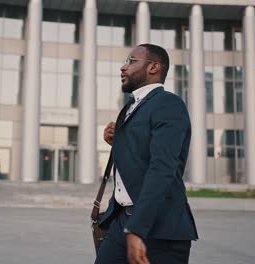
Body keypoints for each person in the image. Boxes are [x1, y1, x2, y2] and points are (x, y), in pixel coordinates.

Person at [95, 44, 198, 264]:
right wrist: (118, 140)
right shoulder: (130, 107)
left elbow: (162, 168)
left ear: (153, 67)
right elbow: (140, 153)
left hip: (160, 230)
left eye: (131, 61)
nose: (123, 67)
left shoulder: (169, 104)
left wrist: (137, 229)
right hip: (121, 222)